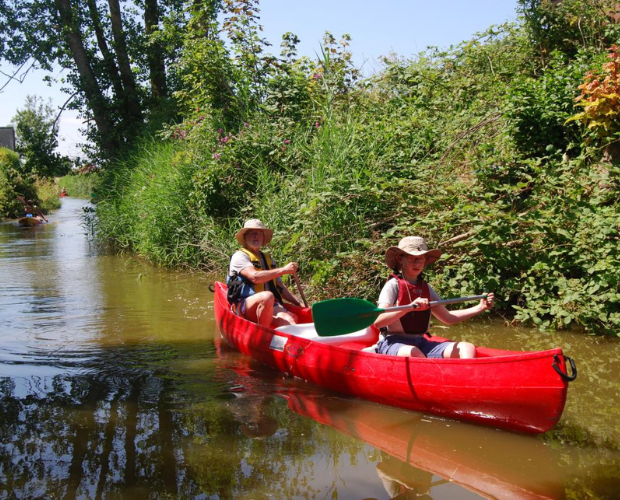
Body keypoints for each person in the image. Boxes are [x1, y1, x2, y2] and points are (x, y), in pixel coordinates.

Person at [374, 236, 494, 359]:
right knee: (413, 352)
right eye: (411, 258)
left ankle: (466, 376)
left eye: (420, 259)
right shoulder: (392, 286)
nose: (417, 263)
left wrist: (480, 307)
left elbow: (448, 318)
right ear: (400, 259)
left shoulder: (426, 289)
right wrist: (408, 308)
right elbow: (378, 322)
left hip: (420, 342)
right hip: (392, 342)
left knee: (466, 348)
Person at [227, 219, 301, 328]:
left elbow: (280, 287)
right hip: (244, 304)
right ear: (245, 237)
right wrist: (284, 270)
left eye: (259, 233)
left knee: (290, 320)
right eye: (252, 233)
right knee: (267, 296)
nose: (255, 236)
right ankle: (263, 335)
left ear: (263, 238)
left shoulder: (268, 258)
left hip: (269, 303)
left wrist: (299, 304)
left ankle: (271, 331)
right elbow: (254, 277)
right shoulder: (239, 256)